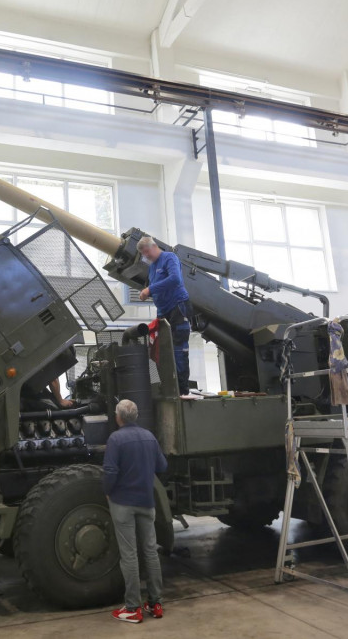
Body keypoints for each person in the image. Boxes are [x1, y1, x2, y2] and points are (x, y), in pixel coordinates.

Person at [103, 399, 168, 623]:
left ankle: (132, 607)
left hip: (123, 503)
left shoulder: (115, 439)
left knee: (129, 555)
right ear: (136, 416)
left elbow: (110, 471)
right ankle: (156, 603)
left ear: (119, 417)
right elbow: (162, 467)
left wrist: (108, 491)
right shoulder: (149, 437)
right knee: (151, 551)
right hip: (146, 502)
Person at [136, 236, 192, 397]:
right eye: (144, 255)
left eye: (147, 253)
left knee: (178, 348)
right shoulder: (153, 267)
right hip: (163, 312)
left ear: (154, 246)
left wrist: (150, 290)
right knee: (163, 351)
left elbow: (175, 279)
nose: (147, 257)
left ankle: (182, 390)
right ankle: (168, 387)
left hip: (178, 307)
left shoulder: (169, 258)